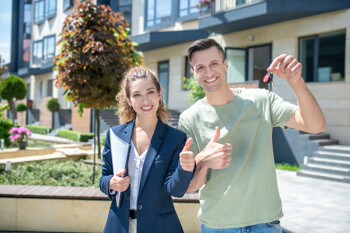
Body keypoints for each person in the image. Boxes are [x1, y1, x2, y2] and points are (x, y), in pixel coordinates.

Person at [178, 38, 326, 233]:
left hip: (265, 223)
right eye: (200, 67)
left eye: (214, 64)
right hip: (218, 225)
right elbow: (190, 187)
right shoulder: (189, 118)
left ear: (225, 65)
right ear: (194, 74)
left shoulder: (261, 100)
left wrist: (296, 82)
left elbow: (316, 126)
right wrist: (203, 162)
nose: (209, 72)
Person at [100, 67, 196, 233]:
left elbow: (175, 190)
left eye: (150, 92)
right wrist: (110, 183)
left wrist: (185, 169)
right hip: (119, 225)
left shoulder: (175, 138)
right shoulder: (115, 135)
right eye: (137, 94)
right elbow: (104, 177)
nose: (145, 100)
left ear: (159, 95)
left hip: (160, 226)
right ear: (129, 100)